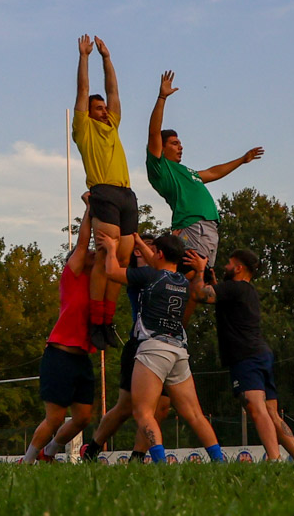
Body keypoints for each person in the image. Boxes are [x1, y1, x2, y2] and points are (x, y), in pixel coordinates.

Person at [99, 232, 225, 463]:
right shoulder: (182, 281)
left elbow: (111, 272)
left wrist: (109, 250)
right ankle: (219, 460)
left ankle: (160, 461)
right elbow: (163, 262)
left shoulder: (149, 275)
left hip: (153, 350)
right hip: (179, 351)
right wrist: (139, 241)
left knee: (144, 413)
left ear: (158, 254)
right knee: (195, 414)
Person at [187, 248, 294, 462]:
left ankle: (274, 459)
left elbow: (199, 295)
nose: (225, 267)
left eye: (230, 264)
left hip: (245, 355)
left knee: (255, 407)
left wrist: (199, 270)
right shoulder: (247, 290)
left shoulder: (235, 288)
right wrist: (212, 281)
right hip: (261, 353)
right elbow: (218, 293)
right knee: (272, 413)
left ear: (239, 268)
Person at [145, 70, 263, 272]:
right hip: (193, 225)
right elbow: (154, 132)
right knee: (191, 274)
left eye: (180, 143)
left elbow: (214, 172)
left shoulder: (187, 172)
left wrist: (242, 160)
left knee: (202, 276)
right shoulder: (161, 168)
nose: (180, 146)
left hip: (207, 227)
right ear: (162, 148)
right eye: (174, 143)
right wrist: (162, 97)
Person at [79, 233, 173, 464]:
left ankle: (137, 457)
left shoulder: (162, 274)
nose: (157, 254)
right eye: (153, 248)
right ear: (140, 252)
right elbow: (110, 271)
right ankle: (92, 450)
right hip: (140, 345)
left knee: (161, 406)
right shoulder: (140, 275)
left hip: (164, 345)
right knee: (126, 407)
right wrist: (112, 249)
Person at [73, 34, 136, 350]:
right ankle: (95, 323)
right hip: (104, 193)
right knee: (104, 258)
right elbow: (84, 91)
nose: (104, 110)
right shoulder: (83, 129)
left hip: (127, 195)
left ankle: (108, 322)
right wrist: (85, 57)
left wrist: (107, 58)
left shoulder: (113, 124)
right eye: (98, 108)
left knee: (121, 263)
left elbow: (113, 90)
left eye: (104, 108)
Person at [22, 196, 96, 464]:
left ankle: (49, 452)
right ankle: (27, 461)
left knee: (83, 417)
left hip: (81, 358)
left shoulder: (95, 282)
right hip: (60, 356)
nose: (90, 253)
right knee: (54, 417)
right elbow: (84, 242)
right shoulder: (73, 274)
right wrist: (89, 209)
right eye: (85, 253)